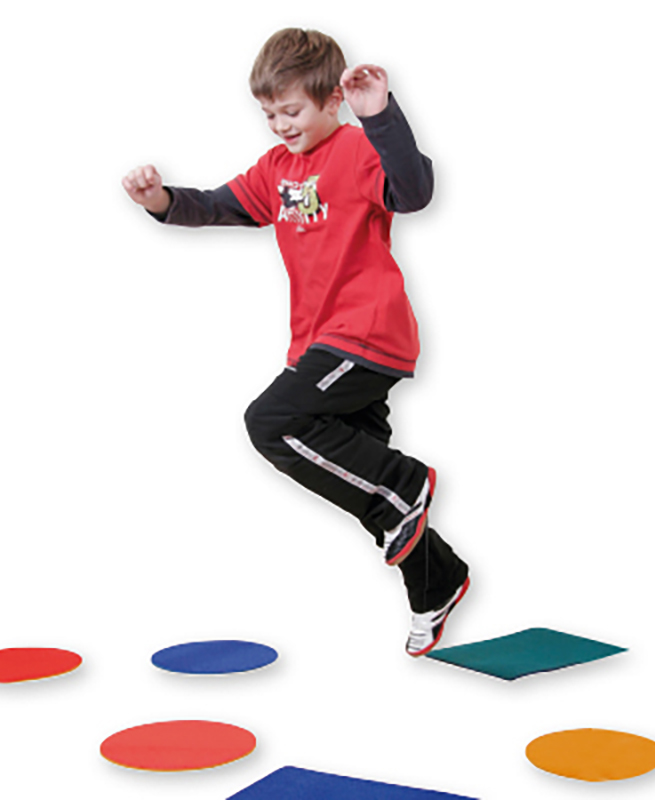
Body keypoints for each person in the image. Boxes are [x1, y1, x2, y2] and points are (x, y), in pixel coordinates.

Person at [122, 28, 469, 656]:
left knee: (272, 422)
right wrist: (161, 200)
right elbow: (219, 206)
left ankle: (406, 484)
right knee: (358, 482)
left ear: (333, 100)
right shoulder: (277, 170)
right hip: (317, 343)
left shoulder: (356, 149)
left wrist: (379, 116)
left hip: (366, 333)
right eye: (270, 114)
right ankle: (437, 580)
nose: (281, 126)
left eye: (292, 111)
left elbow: (414, 192)